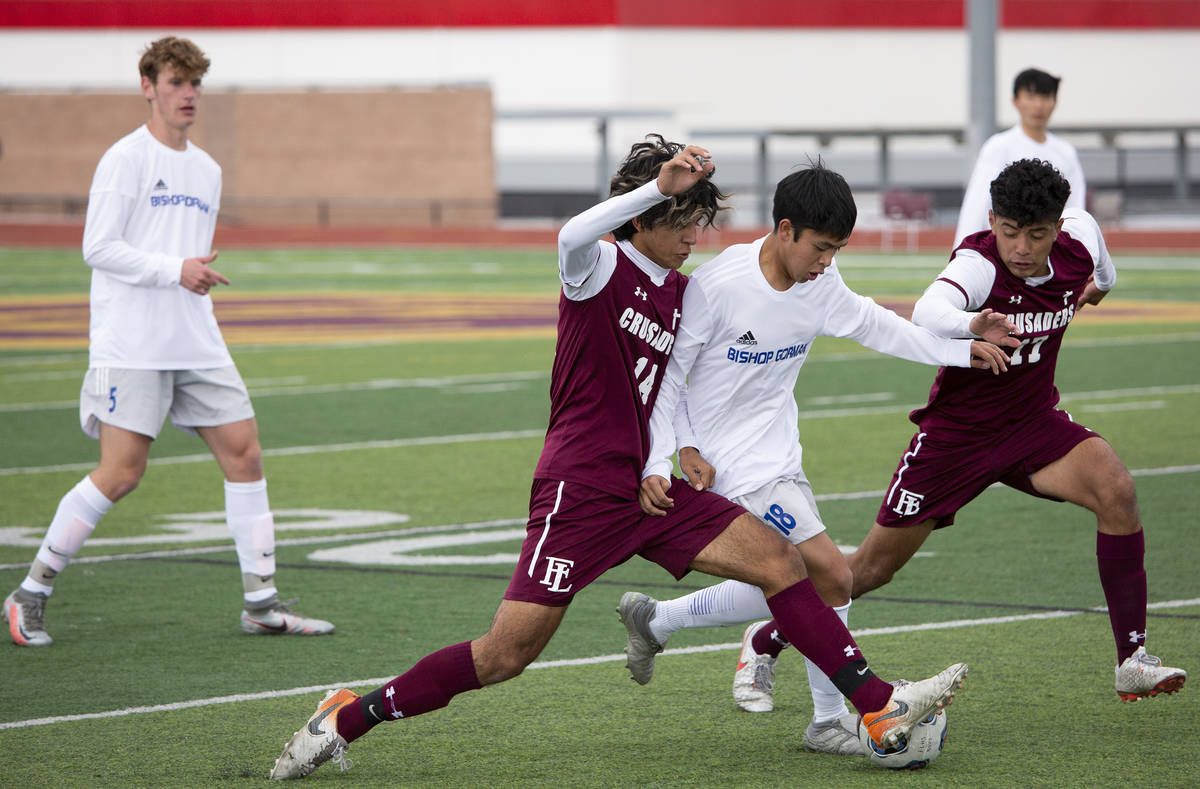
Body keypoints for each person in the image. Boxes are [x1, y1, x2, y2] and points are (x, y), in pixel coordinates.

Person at [268, 136, 968, 780]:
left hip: (651, 489)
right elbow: (572, 232)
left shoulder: (682, 290)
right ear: (643, 218)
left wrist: (669, 452)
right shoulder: (596, 265)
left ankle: (875, 705)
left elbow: (672, 390)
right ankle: (347, 715)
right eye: (681, 221)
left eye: (700, 223)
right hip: (580, 489)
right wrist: (652, 186)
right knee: (506, 654)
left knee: (783, 563)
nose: (694, 238)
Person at [616, 162, 1013, 756]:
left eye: (837, 250)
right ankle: (832, 720)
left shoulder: (821, 285)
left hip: (781, 456)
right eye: (821, 248)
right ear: (784, 231)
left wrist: (958, 348)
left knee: (804, 580)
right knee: (832, 574)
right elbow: (671, 378)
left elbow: (879, 325)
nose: (827, 262)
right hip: (731, 466)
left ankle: (661, 621)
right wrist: (672, 452)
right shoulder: (718, 286)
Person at [2, 36, 333, 647]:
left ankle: (261, 602)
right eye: (177, 82)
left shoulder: (207, 169)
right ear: (148, 86)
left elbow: (187, 252)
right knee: (122, 472)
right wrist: (173, 268)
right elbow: (96, 247)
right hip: (133, 343)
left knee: (245, 453)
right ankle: (30, 593)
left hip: (196, 337)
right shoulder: (124, 159)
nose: (189, 95)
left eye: (196, 83)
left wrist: (192, 275)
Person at [849, 158, 1186, 702]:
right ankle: (768, 637)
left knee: (1117, 489)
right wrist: (970, 325)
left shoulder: (1079, 238)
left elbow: (1103, 272)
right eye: (1009, 232)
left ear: (1057, 227)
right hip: (958, 438)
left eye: (1036, 234)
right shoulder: (979, 265)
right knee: (866, 572)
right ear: (992, 220)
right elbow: (928, 310)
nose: (1022, 248)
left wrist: (1093, 292)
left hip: (1032, 424)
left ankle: (1131, 660)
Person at [954, 68, 1087, 246]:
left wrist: (1078, 253)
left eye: (1045, 97)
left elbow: (1075, 210)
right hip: (1005, 251)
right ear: (1016, 101)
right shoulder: (999, 146)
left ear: (1055, 102)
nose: (1038, 105)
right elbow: (976, 206)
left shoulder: (1066, 153)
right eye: (1031, 97)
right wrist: (961, 252)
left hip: (1051, 251)